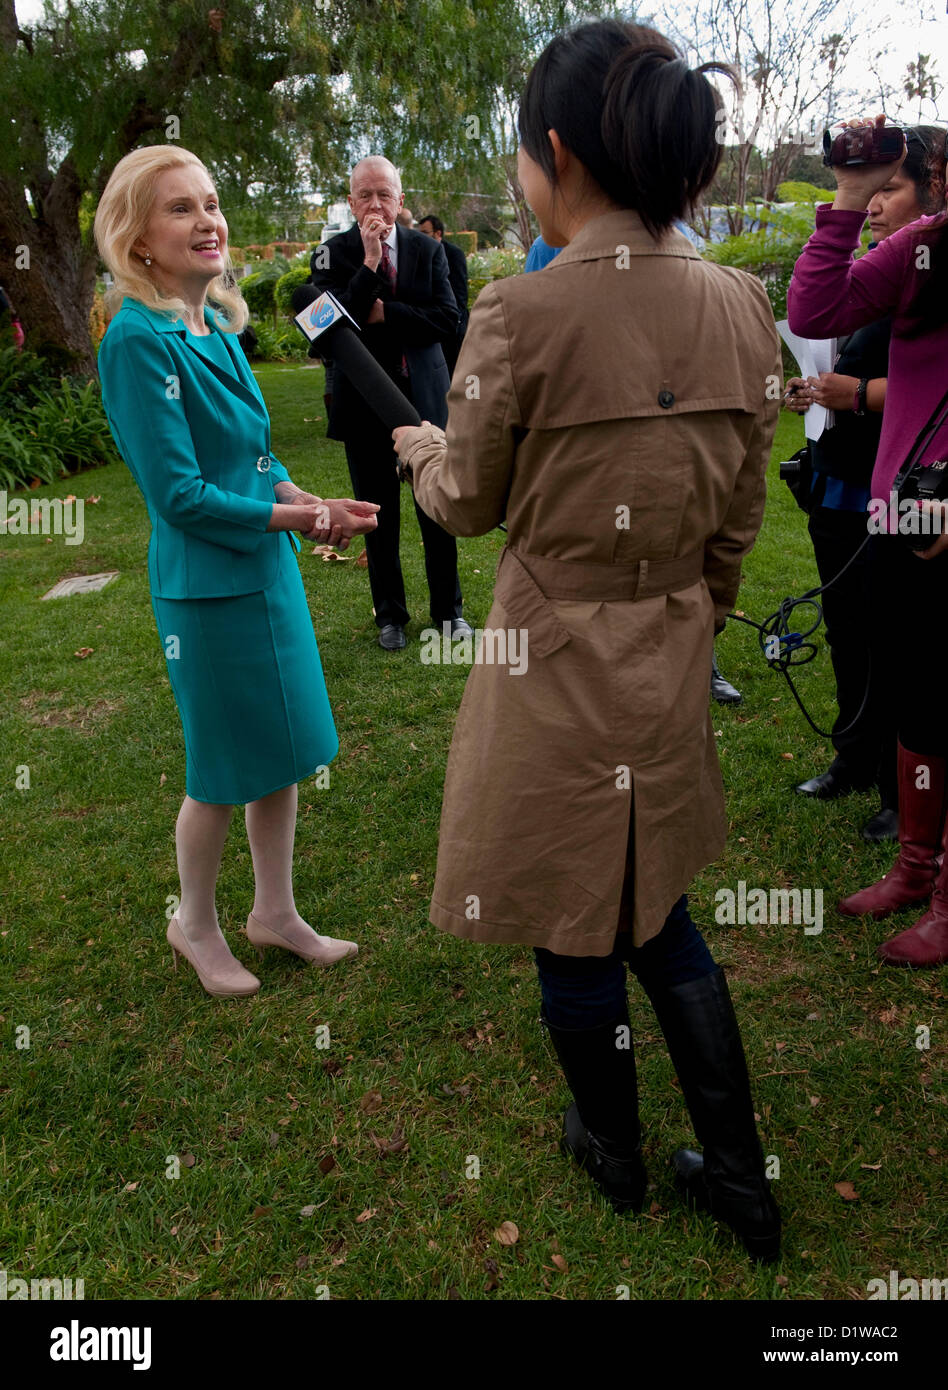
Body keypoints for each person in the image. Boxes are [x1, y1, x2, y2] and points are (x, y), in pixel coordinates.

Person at [393, 20, 783, 1259]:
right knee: (656, 904)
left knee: (572, 912)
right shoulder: (745, 304)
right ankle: (739, 1176)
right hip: (670, 638)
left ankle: (612, 1148)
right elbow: (739, 512)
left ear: (555, 152)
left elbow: (468, 501)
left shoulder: (518, 312)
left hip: (552, 651)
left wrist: (421, 452)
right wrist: (691, 611)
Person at [94, 146, 378, 998]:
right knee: (221, 770)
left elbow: (250, 457)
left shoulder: (214, 324)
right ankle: (195, 924)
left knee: (282, 750)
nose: (207, 220)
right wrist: (303, 518)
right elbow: (180, 495)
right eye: (180, 208)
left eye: (211, 202)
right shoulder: (135, 339)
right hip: (207, 592)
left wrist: (303, 496)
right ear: (137, 238)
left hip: (266, 572)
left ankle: (275, 913)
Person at [788, 115, 948, 966]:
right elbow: (815, 307)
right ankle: (916, 867)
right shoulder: (924, 246)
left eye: (894, 183)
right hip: (900, 510)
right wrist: (848, 196)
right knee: (915, 688)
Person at [309, 157, 469, 651]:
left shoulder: (430, 250)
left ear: (401, 201)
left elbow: (447, 319)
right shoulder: (329, 255)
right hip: (364, 407)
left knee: (436, 511)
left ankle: (449, 612)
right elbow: (327, 330)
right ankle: (390, 616)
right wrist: (371, 264)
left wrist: (386, 314)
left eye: (384, 194)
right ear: (351, 202)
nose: (375, 204)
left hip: (424, 404)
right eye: (365, 195)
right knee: (376, 515)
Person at [416, 214, 469, 374]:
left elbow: (460, 293)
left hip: (453, 329)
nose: (421, 236)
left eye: (425, 233)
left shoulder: (454, 254)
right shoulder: (421, 253)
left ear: (438, 233)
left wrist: (455, 323)